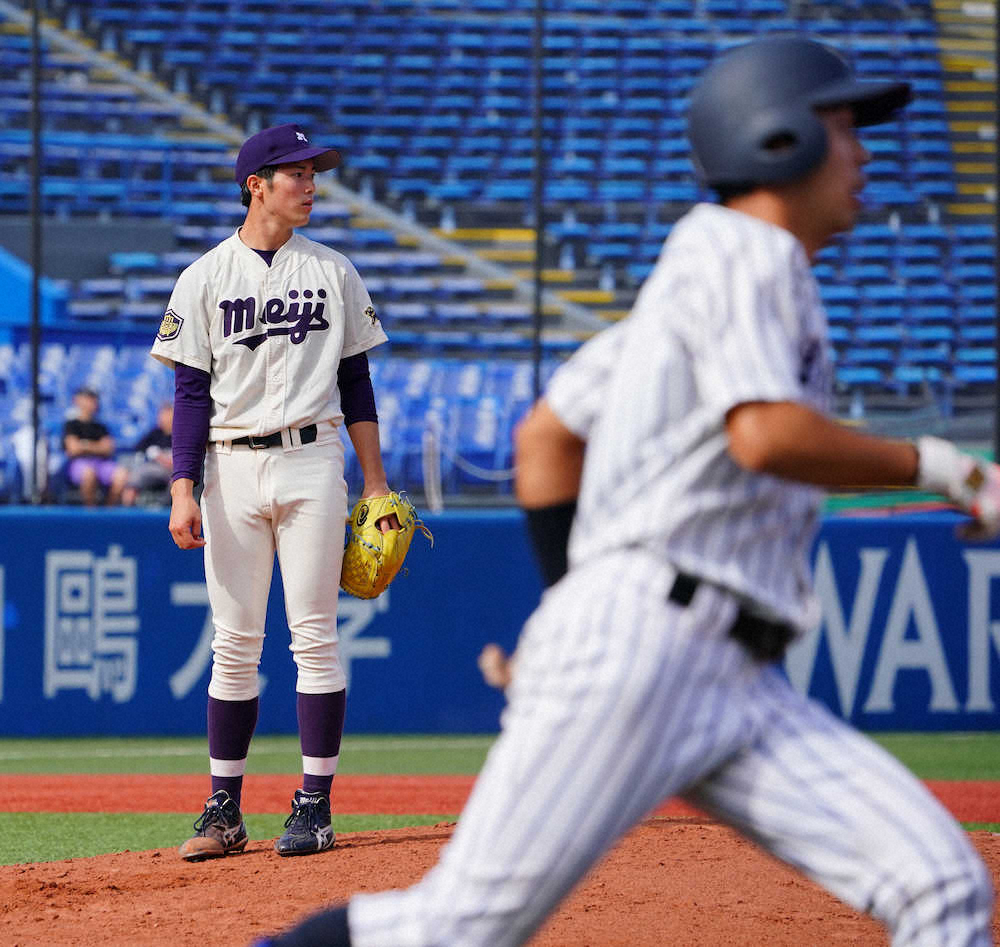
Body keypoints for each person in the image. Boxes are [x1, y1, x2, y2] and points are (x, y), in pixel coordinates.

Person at [254, 37, 997, 947]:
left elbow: (548, 434)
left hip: (729, 672)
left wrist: (573, 609)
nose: (865, 149)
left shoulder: (700, 289)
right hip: (651, 645)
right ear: (778, 142)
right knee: (454, 927)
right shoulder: (739, 251)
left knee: (943, 884)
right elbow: (764, 434)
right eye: (842, 124)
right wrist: (949, 469)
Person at [151, 123, 398, 862]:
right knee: (234, 645)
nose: (312, 182)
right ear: (256, 183)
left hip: (312, 459)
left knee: (314, 637)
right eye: (297, 171)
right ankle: (224, 808)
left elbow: (357, 382)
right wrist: (180, 486)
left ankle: (315, 804)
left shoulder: (334, 271)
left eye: (314, 172)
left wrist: (377, 481)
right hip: (228, 467)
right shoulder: (204, 277)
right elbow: (191, 392)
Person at [61, 387, 129, 506]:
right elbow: (73, 449)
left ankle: (109, 512)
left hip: (101, 463)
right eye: (88, 399)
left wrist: (85, 445)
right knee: (88, 474)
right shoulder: (71, 425)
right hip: (78, 463)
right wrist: (97, 447)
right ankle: (90, 512)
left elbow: (108, 448)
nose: (92, 402)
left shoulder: (100, 426)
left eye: (93, 399)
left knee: (121, 474)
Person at [121, 402, 174, 506]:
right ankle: (127, 512)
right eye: (162, 415)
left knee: (177, 483)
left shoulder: (180, 435)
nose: (163, 418)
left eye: (167, 415)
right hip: (152, 469)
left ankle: (167, 513)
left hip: (173, 472)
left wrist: (161, 457)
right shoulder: (154, 434)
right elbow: (138, 450)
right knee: (132, 478)